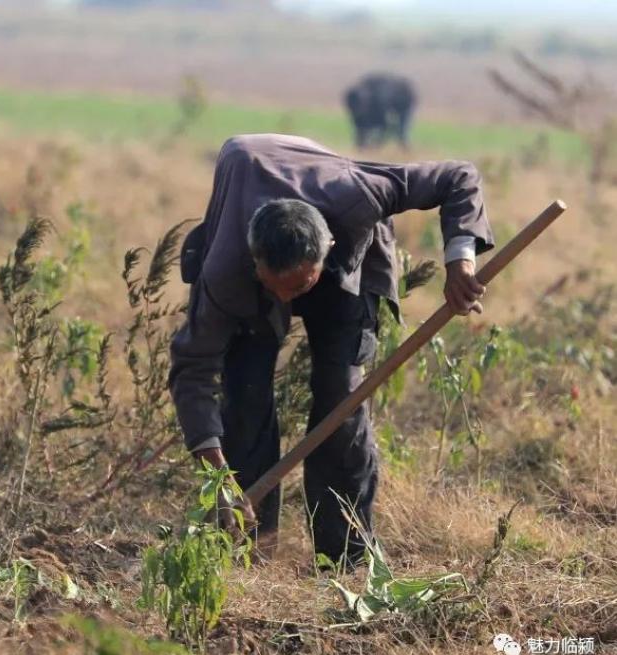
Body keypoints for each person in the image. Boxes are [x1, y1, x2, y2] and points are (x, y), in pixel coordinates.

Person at [168, 133, 494, 565]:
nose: (286, 300)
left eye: (298, 286)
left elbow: (459, 177)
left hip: (342, 267)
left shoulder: (357, 196)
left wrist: (460, 264)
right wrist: (219, 476)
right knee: (245, 397)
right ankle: (247, 553)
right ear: (255, 260)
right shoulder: (226, 272)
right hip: (246, 201)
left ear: (327, 251)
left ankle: (346, 557)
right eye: (275, 285)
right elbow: (192, 368)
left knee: (341, 402)